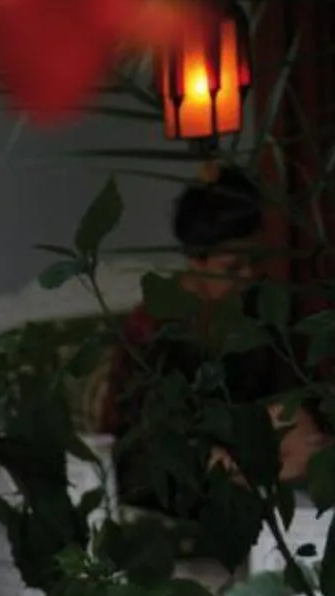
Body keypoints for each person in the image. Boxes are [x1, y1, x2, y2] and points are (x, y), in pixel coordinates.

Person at [106, 168, 321, 549]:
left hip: (256, 449)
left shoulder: (260, 307)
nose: (249, 276)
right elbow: (147, 437)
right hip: (173, 463)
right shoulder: (155, 325)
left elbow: (288, 391)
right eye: (232, 268)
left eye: (256, 261)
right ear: (196, 260)